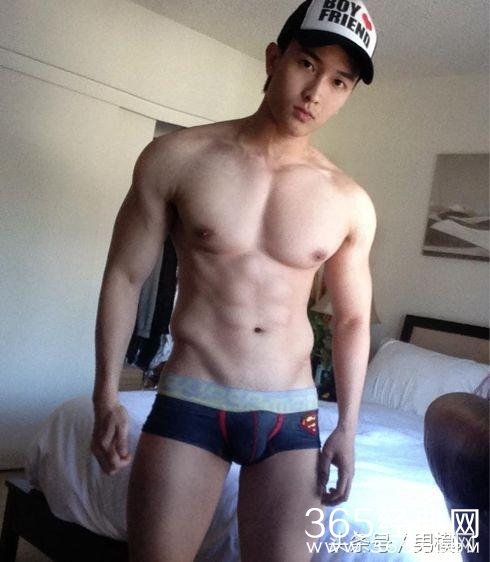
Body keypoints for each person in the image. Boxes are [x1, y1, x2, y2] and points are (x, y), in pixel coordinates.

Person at [91, 0, 378, 560]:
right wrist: (105, 394)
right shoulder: (176, 157)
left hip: (292, 417)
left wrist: (347, 426)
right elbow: (125, 277)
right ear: (274, 59)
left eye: (339, 81)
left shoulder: (349, 201)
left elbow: (351, 319)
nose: (315, 92)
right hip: (191, 401)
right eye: (307, 64)